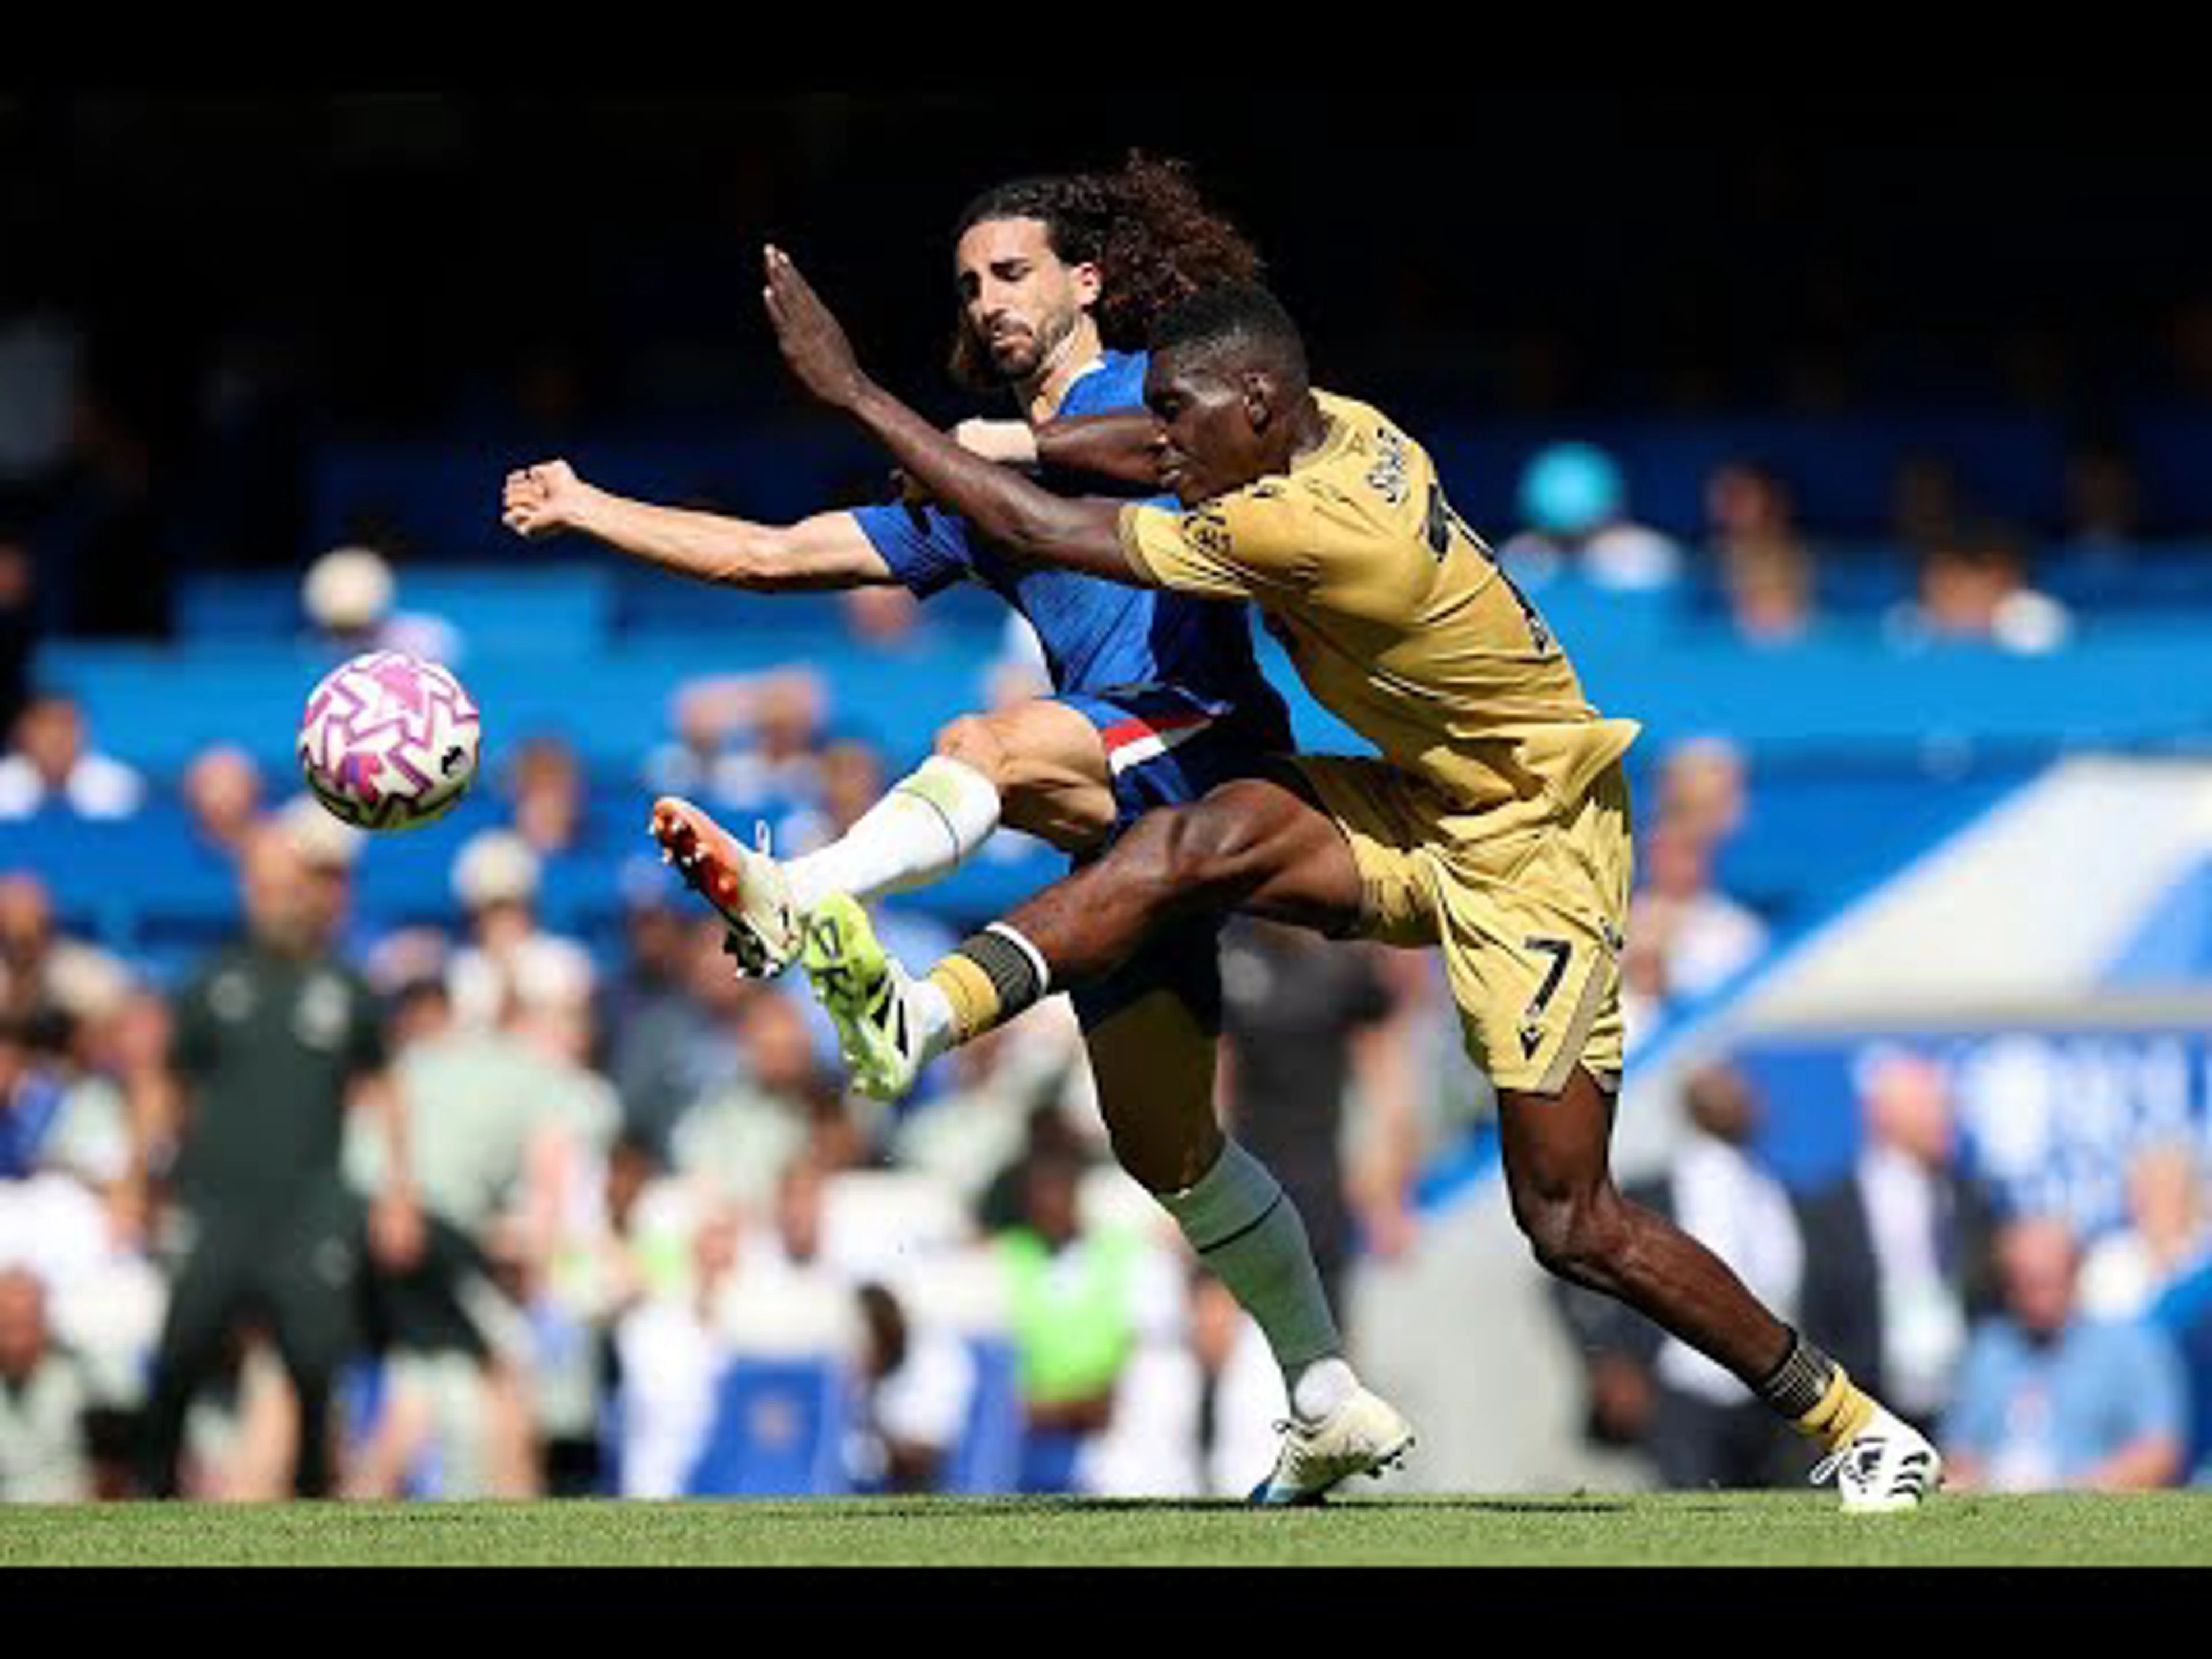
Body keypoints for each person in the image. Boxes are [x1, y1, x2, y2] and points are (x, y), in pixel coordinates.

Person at [756, 255, 1937, 1512]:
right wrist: (1013, 426)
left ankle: (1862, 1426)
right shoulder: (1334, 428)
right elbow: (1127, 452)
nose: (1161, 443)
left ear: (1257, 407)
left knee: (1572, 1218)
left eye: (1178, 420)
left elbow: (1045, 528)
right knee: (1187, 842)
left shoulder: (1305, 526)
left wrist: (857, 396)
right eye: (1153, 411)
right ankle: (918, 1016)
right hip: (1429, 792)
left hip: (1535, 850)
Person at [506, 158, 1399, 1502]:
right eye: (970, 282)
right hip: (1111, 809)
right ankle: (1324, 1391)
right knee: (1169, 1151)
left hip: (1204, 751)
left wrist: (999, 445)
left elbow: (1184, 453)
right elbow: (775, 555)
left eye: (1012, 272)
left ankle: (802, 887)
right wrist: (588, 508)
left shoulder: (1157, 394)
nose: (986, 301)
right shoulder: (976, 479)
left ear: (1085, 282)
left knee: (981, 742)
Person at [134, 813, 425, 1499]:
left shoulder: (343, 988)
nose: (280, 901)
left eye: (291, 887)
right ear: (247, 892)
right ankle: (150, 1503)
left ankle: (313, 1506)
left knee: (317, 1364)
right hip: (218, 1204)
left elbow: (384, 1090)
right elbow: (168, 1084)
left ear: (310, 893)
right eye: (266, 887)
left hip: (309, 1206)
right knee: (180, 1352)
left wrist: (399, 1193)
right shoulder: (213, 982)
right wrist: (140, 1175)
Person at [1551, 1062, 1809, 1490]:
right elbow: (1568, 1275)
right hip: (1681, 1390)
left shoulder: (1771, 1193)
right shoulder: (1648, 1194)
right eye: (1723, 1084)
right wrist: (1608, 1361)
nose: (1740, 1097)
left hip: (1769, 1397)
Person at [1795, 1048, 2001, 1435]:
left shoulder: (1968, 1197)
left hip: (1960, 1392)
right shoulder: (1833, 1207)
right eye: (1929, 1106)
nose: (1945, 1118)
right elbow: (1820, 1308)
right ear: (1883, 1114)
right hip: (1870, 1390)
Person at [1938, 1214, 2188, 1492]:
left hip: (2093, 1511)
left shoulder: (2130, 1346)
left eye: (2045, 1282)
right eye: (2021, 1283)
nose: (2033, 1298)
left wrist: (2074, 1490)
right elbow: (1958, 1454)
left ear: (2075, 1273)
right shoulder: (1989, 1350)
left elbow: (2160, 1452)